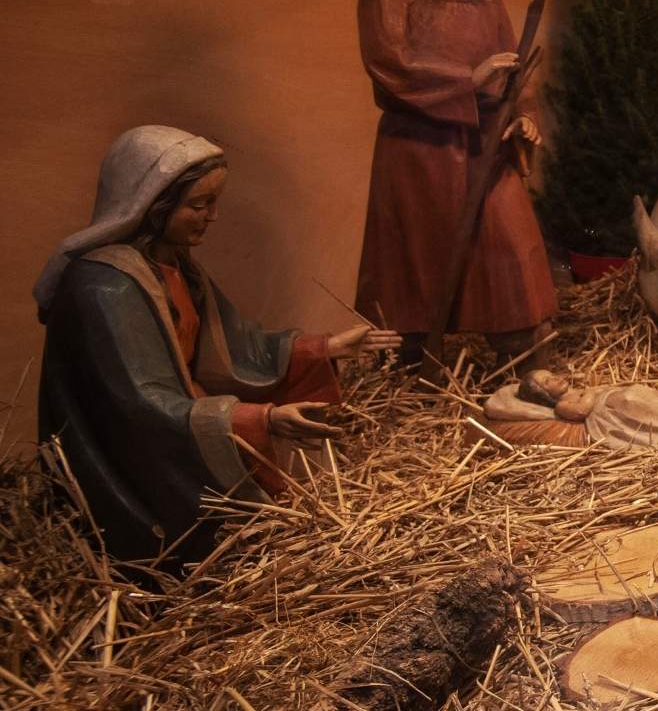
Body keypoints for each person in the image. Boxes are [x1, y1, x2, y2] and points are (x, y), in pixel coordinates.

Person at [34, 125, 400, 569]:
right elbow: (138, 408)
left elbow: (238, 347)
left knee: (300, 495)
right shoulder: (104, 287)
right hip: (132, 463)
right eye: (199, 205)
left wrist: (324, 348)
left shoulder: (174, 267)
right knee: (247, 533)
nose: (212, 217)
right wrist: (258, 419)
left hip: (187, 419)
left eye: (213, 203)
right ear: (154, 205)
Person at [355, 0, 557, 372]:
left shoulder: (488, 2)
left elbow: (516, 74)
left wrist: (523, 118)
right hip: (419, 153)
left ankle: (526, 357)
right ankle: (415, 360)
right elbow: (391, 68)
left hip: (486, 146)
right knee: (418, 257)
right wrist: (469, 79)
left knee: (509, 244)